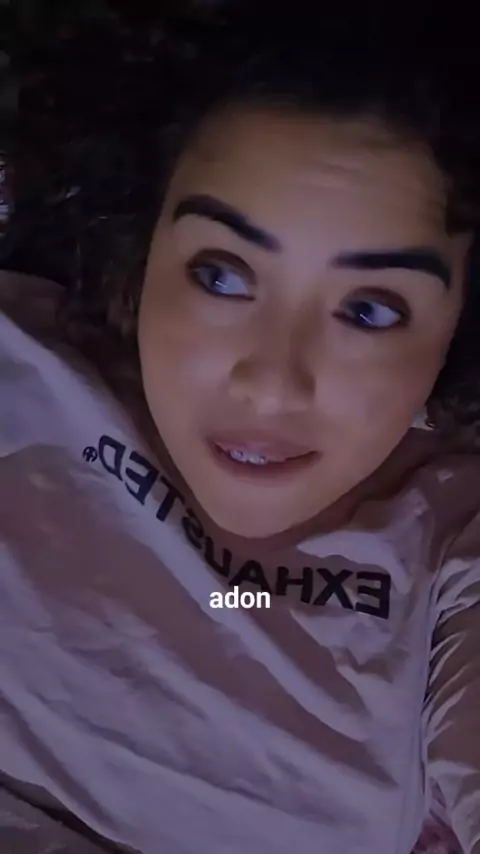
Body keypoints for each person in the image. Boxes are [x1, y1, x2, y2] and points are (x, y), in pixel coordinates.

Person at [1, 5, 479, 852]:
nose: (270, 383)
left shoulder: (453, 534)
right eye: (221, 275)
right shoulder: (22, 363)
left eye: (370, 311)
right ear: (138, 249)